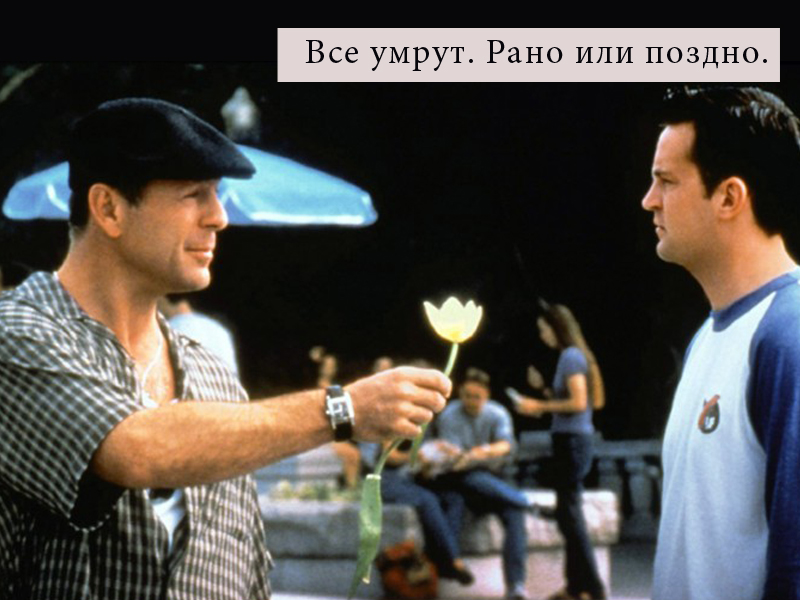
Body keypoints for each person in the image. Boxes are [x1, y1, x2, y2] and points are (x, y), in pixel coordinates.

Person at [0, 98, 450, 600]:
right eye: (193, 195)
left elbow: (247, 567)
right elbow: (135, 450)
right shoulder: (15, 334)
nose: (219, 217)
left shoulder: (210, 372)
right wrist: (344, 410)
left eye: (216, 195)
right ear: (108, 208)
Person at [641, 86, 800, 600]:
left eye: (666, 181)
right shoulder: (709, 336)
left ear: (730, 197)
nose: (648, 200)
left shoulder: (788, 337)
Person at [515, 302, 606, 600]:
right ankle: (576, 587)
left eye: (544, 329)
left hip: (572, 443)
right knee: (569, 516)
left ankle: (593, 588)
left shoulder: (570, 356)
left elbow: (579, 403)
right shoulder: (575, 356)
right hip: (572, 441)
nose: (542, 335)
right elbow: (577, 401)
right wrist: (543, 390)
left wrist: (538, 406)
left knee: (570, 517)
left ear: (556, 328)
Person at [431, 367, 531, 600]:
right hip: (461, 479)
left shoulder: (497, 413)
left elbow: (506, 445)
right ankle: (528, 502)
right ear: (460, 393)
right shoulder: (450, 415)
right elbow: (454, 458)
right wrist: (474, 457)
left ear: (486, 396)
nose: (471, 401)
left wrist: (481, 452)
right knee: (473, 477)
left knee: (514, 513)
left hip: (492, 480)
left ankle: (516, 585)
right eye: (467, 395)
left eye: (477, 397)